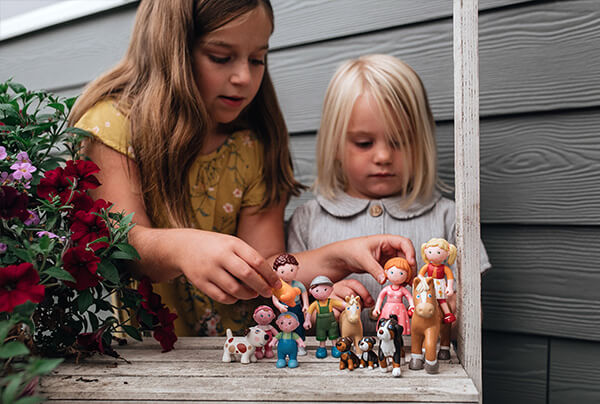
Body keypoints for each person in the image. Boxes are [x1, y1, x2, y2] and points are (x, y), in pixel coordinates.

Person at [69, 2, 415, 337]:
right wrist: (183, 248)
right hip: (150, 359)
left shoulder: (253, 145)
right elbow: (123, 240)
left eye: (257, 59)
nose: (244, 77)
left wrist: (338, 256)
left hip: (247, 350)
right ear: (170, 48)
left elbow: (265, 268)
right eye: (221, 57)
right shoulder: (114, 125)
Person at [287, 54, 491, 334]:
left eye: (399, 141)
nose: (383, 156)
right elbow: (287, 312)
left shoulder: (449, 219)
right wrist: (323, 301)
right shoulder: (307, 221)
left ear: (420, 142)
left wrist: (450, 309)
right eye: (364, 142)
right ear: (334, 144)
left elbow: (472, 323)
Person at [271, 253, 309, 355]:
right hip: (285, 308)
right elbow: (274, 299)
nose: (287, 274)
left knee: (299, 325)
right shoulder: (278, 287)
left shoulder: (298, 285)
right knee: (285, 326)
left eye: (291, 270)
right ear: (275, 272)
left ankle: (300, 345)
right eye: (282, 271)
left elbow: (304, 295)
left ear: (297, 268)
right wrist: (279, 306)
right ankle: (286, 344)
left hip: (297, 307)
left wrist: (306, 305)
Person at [371, 257, 414, 334]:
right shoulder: (387, 289)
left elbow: (409, 297)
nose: (396, 276)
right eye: (392, 272)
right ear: (386, 272)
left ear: (407, 275)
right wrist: (377, 308)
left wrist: (412, 306)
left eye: (401, 273)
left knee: (400, 324)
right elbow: (380, 298)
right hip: (388, 308)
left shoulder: (402, 290)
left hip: (400, 310)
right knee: (386, 322)